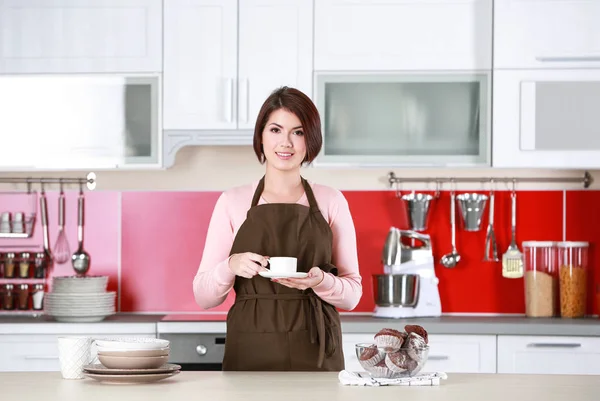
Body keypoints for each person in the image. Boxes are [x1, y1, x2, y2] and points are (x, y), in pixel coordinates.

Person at [193, 86, 362, 372]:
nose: (286, 143)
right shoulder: (231, 201)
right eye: (275, 130)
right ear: (261, 135)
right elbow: (203, 297)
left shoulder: (331, 200)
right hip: (250, 351)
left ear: (310, 140)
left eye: (297, 132)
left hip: (317, 352)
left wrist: (321, 281)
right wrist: (231, 266)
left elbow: (353, 294)